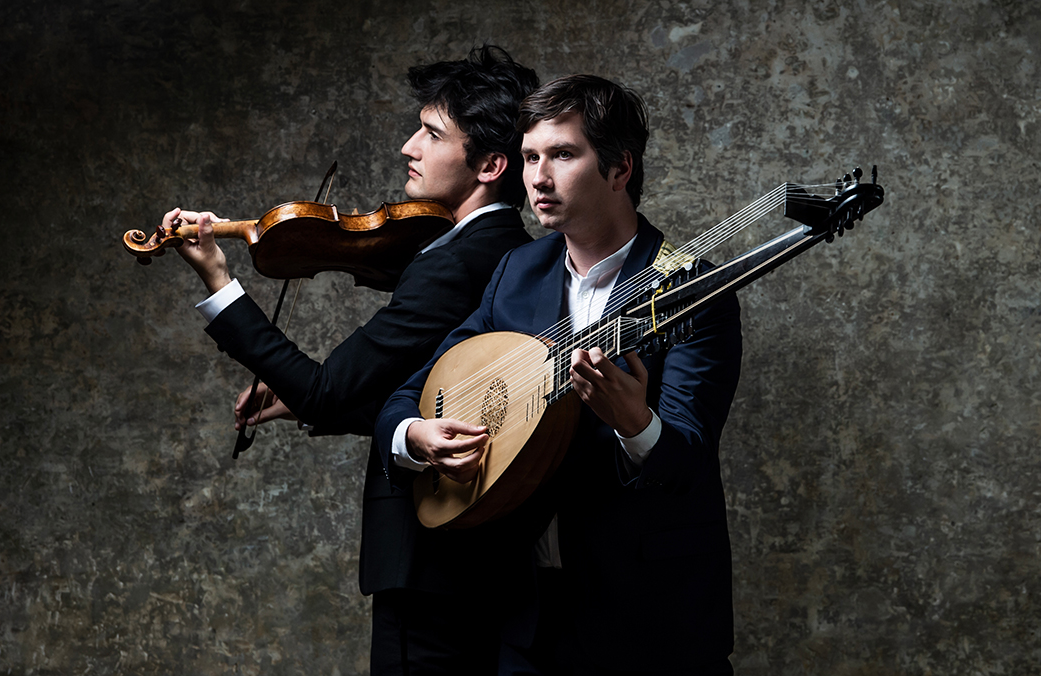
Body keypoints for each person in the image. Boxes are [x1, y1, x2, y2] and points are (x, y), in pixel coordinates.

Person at [162, 46, 542, 674]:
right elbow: (446, 403)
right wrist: (318, 407)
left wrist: (219, 283)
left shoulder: (453, 264)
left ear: (491, 165)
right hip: (481, 564)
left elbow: (324, 387)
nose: (407, 147)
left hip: (429, 563)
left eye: (430, 133)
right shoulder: (512, 255)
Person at [376, 75, 744, 675]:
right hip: (525, 620)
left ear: (620, 169)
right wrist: (415, 436)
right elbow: (407, 393)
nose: (538, 178)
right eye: (528, 157)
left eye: (563, 155)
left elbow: (691, 457)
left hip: (651, 619)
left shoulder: (692, 287)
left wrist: (636, 425)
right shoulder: (515, 272)